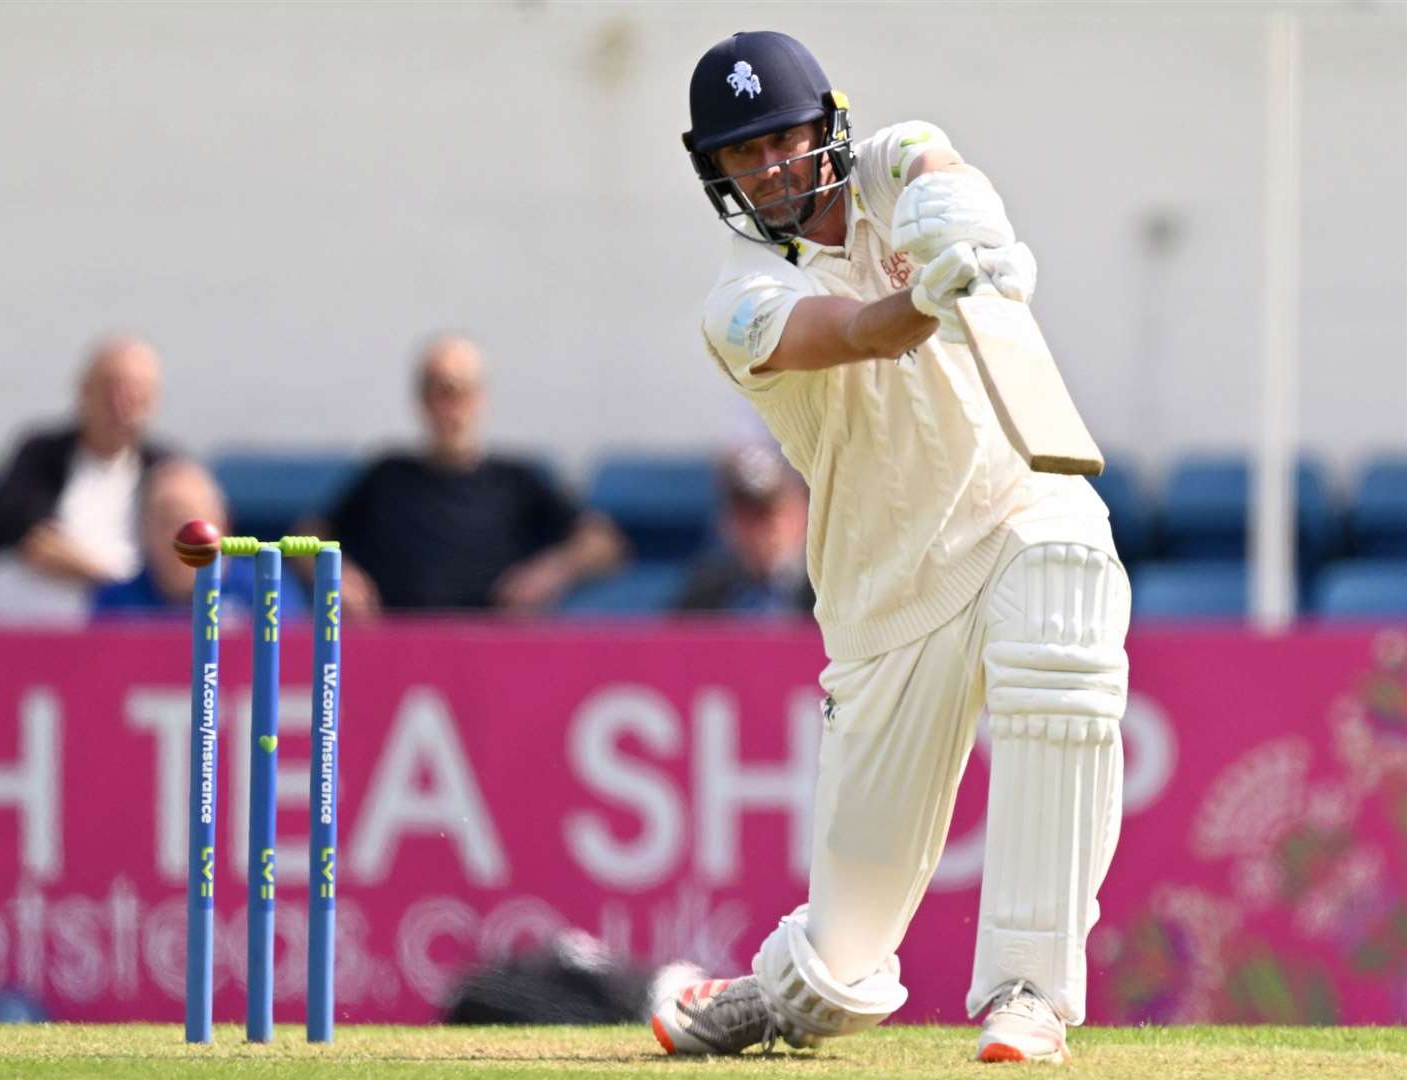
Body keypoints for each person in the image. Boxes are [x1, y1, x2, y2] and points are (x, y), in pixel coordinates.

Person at [652, 32, 1130, 1066]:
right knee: (845, 952)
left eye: (784, 138)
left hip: (1020, 500)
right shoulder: (734, 302)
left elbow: (933, 168)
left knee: (1065, 625)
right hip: (887, 588)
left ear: (826, 125)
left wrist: (966, 235)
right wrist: (924, 295)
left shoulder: (890, 158)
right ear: (715, 172)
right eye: (744, 155)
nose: (772, 168)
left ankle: (1027, 997)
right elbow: (855, 331)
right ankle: (780, 993)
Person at [302, 334, 625, 615]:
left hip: (491, 649)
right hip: (395, 648)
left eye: (461, 391)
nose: (451, 407)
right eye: (438, 390)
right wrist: (336, 574)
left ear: (481, 397)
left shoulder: (516, 482)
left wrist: (553, 571)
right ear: (421, 399)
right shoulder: (386, 477)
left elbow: (602, 543)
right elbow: (307, 538)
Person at [0, 336, 169, 621]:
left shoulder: (165, 467)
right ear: (84, 390)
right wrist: (116, 583)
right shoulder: (39, 453)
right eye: (111, 390)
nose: (121, 406)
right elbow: (33, 541)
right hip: (36, 611)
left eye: (136, 394)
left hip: (131, 621)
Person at [93, 458, 294, 618]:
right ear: (143, 530)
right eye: (165, 521)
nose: (177, 537)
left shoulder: (267, 589)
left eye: (187, 521)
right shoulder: (116, 604)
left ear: (222, 525)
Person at [675, 445, 813, 615]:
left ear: (802, 512)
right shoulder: (705, 593)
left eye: (768, 514)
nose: (758, 532)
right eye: (744, 515)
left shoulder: (830, 592)